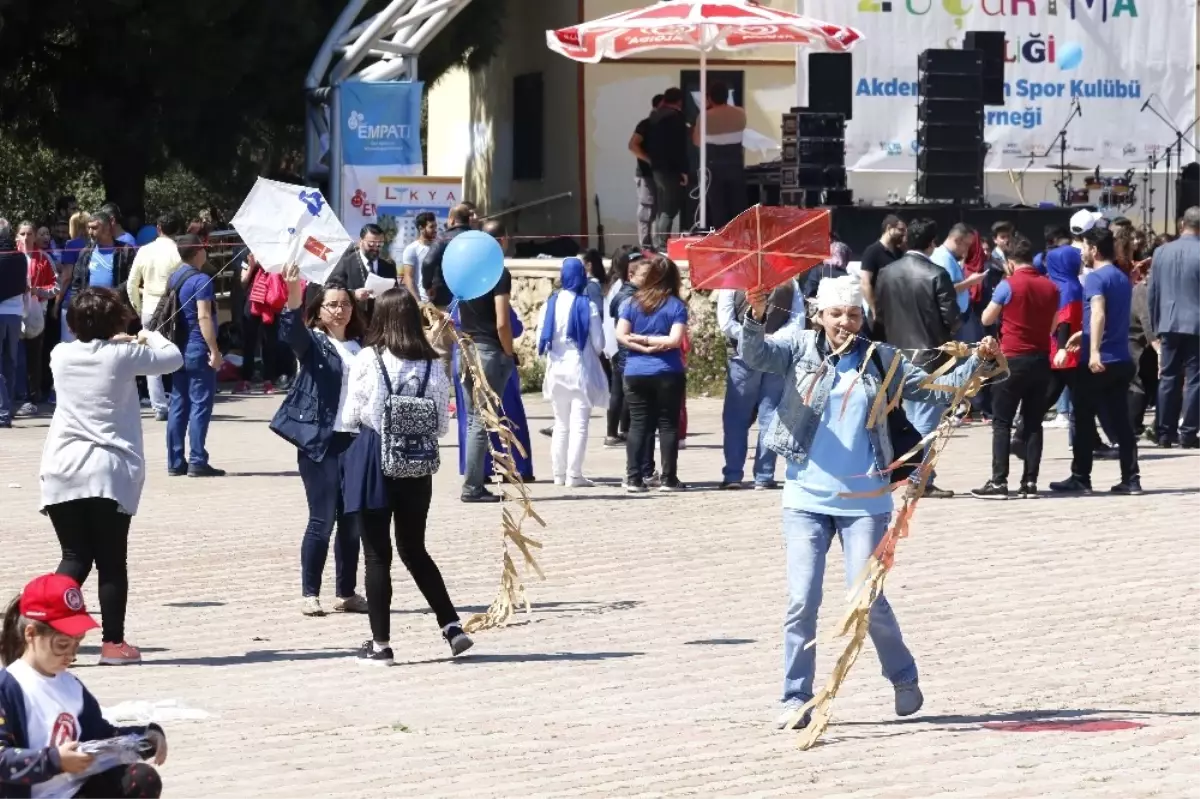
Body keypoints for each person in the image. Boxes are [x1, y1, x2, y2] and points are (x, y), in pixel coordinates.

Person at [739, 275, 1003, 728]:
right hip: (805, 498)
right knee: (801, 600)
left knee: (867, 601)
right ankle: (794, 697)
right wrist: (756, 316)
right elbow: (755, 354)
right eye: (836, 314)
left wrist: (978, 362)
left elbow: (931, 389)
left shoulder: (881, 358)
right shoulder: (798, 346)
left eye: (854, 314)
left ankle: (902, 675)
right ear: (819, 314)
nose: (845, 322)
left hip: (866, 502)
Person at [40, 287, 183, 664]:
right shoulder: (122, 354)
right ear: (115, 321)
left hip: (61, 469)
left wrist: (118, 340)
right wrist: (145, 333)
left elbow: (91, 347)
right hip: (107, 472)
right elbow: (172, 358)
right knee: (110, 561)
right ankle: (113, 645)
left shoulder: (60, 354)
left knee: (74, 556)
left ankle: (41, 626)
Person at [342, 288, 474, 664]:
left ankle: (381, 645)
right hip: (416, 462)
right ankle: (452, 627)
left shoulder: (368, 357)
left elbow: (353, 412)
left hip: (373, 457)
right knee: (415, 549)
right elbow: (441, 424)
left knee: (377, 555)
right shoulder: (433, 361)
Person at [0, 574, 169, 798]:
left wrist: (145, 737)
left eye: (76, 643)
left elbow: (100, 735)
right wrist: (54, 760)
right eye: (62, 644)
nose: (71, 654)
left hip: (74, 791)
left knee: (141, 779)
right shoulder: (8, 688)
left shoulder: (72, 686)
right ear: (30, 634)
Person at [270, 267, 368, 617]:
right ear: (320, 310)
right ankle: (310, 592)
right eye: (331, 305)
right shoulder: (314, 342)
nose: (339, 310)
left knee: (352, 520)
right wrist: (294, 290)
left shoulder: (363, 346)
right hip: (320, 442)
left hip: (356, 441)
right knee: (322, 519)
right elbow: (289, 329)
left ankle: (346, 592)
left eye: (345, 304)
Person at [873, 218, 961, 499]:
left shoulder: (886, 272)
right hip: (930, 357)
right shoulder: (936, 273)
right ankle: (916, 477)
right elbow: (952, 319)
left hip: (893, 354)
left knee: (910, 417)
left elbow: (880, 315)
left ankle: (922, 476)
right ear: (933, 243)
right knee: (925, 421)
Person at [1050, 227, 1142, 495]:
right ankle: (1131, 478)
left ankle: (1081, 477)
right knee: (1121, 422)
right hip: (1121, 358)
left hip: (1099, 360)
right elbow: (1110, 316)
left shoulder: (1095, 278)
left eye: (1085, 247)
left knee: (1083, 417)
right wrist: (1085, 334)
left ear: (1095, 250)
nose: (1082, 252)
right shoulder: (1122, 277)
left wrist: (1093, 352)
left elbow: (1099, 312)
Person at [972, 235, 1060, 499]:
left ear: (1010, 263)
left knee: (1002, 422)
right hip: (1040, 359)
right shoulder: (1051, 287)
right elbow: (1054, 326)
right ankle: (1030, 482)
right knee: (1034, 422)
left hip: (1011, 358)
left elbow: (987, 316)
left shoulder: (1007, 285)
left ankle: (999, 482)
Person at [716, 279, 805, 490]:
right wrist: (772, 338)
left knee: (737, 417)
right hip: (775, 355)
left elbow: (726, 322)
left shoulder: (731, 280)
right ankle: (764, 475)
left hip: (743, 356)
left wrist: (752, 337)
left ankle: (733, 474)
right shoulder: (789, 281)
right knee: (771, 415)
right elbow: (797, 320)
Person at [616, 255, 689, 493]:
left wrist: (641, 344)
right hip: (668, 371)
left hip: (635, 370)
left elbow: (621, 335)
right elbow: (675, 340)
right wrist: (653, 344)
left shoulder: (632, 303)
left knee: (638, 424)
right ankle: (669, 479)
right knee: (668, 425)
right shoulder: (676, 306)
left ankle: (633, 477)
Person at [457, 220, 516, 503]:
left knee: (473, 420)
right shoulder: (499, 274)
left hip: (466, 348)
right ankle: (472, 487)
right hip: (488, 350)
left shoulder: (467, 272)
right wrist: (509, 352)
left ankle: (473, 482)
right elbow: (502, 321)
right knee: (482, 421)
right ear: (502, 241)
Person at [538, 257, 608, 487]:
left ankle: (558, 475)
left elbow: (541, 338)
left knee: (560, 424)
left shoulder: (550, 303)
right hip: (579, 369)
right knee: (579, 425)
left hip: (555, 370)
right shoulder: (587, 305)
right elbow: (599, 344)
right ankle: (574, 475)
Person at [164, 235, 224, 478]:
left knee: (178, 404)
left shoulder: (175, 276)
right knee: (200, 404)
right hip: (198, 348)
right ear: (197, 251)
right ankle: (198, 459)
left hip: (177, 349)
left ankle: (175, 461)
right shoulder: (201, 280)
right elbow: (203, 317)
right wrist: (215, 350)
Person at [1148, 206, 1200, 448]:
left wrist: (1155, 325)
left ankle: (1164, 433)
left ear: (1182, 225)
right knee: (1194, 379)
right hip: (1196, 324)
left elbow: (1153, 292)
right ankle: (1188, 433)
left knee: (1167, 377)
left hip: (1168, 321)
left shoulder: (1160, 252)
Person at [126, 212, 184, 420]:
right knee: (178, 352)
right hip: (175, 307)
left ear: (158, 228)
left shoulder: (144, 250)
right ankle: (179, 400)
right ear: (177, 230)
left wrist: (138, 307)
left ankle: (159, 406)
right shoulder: (179, 252)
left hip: (150, 307)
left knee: (152, 356)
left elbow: (132, 283)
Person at [16, 221, 58, 417]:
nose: (26, 238)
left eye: (29, 234)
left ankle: (32, 397)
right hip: (12, 313)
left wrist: (37, 291)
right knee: (13, 357)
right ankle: (15, 394)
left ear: (35, 236)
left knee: (34, 357)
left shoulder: (44, 258)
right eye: (22, 234)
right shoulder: (10, 257)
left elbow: (55, 287)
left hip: (35, 314)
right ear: (17, 236)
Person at [693, 79, 747, 230]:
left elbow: (697, 141)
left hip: (714, 166)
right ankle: (740, 238)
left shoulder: (704, 116)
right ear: (726, 96)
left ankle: (722, 240)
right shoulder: (740, 113)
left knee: (718, 207)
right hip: (735, 163)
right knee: (738, 204)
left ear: (709, 98)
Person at [644, 88, 690, 248]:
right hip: (670, 168)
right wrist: (683, 170)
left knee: (663, 206)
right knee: (670, 207)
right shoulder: (676, 118)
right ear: (679, 101)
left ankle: (660, 242)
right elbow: (679, 147)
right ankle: (662, 244)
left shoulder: (654, 117)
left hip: (656, 168)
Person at [604, 247, 640, 447]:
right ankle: (614, 432)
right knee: (619, 390)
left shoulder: (615, 285)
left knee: (621, 390)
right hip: (618, 344)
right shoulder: (621, 287)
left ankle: (621, 430)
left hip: (615, 342)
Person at [237, 253, 288, 395]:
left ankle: (269, 380)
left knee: (269, 342)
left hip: (271, 301)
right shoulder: (248, 254)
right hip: (252, 301)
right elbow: (242, 282)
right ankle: (246, 379)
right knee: (249, 341)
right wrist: (252, 266)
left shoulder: (279, 253)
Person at [66, 209, 136, 299]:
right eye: (89, 228)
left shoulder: (125, 251)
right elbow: (76, 283)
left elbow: (132, 279)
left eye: (94, 228)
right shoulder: (85, 252)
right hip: (90, 306)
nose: (90, 232)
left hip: (116, 306)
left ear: (107, 228)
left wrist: (114, 294)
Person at [327, 224, 397, 312]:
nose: (375, 248)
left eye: (379, 245)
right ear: (360, 241)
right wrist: (353, 294)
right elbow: (330, 289)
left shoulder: (389, 266)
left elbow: (395, 294)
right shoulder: (346, 263)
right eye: (371, 244)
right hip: (354, 318)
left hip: (382, 317)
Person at [0, 219, 27, 429]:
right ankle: (6, 410)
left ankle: (2, 411)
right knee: (10, 362)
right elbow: (22, 285)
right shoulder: (20, 257)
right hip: (15, 314)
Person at [422, 204, 475, 309]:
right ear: (468, 220)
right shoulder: (478, 238)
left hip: (445, 297)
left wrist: (427, 285)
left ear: (451, 220)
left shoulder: (442, 238)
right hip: (473, 299)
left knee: (446, 325)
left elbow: (428, 262)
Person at [629, 94, 664, 248]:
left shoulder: (667, 125)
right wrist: (649, 160)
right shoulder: (646, 124)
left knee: (659, 210)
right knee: (647, 209)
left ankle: (656, 246)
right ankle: (645, 247)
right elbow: (632, 145)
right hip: (646, 175)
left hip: (662, 175)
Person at [859, 215, 906, 328]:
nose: (903, 234)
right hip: (880, 312)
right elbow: (865, 283)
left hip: (897, 311)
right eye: (900, 230)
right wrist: (874, 309)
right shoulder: (872, 251)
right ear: (889, 228)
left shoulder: (899, 252)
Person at [400, 211, 438, 301]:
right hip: (423, 300)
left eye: (436, 226)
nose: (435, 230)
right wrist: (418, 302)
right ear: (421, 228)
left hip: (441, 300)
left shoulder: (439, 247)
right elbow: (408, 277)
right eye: (431, 227)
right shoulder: (412, 249)